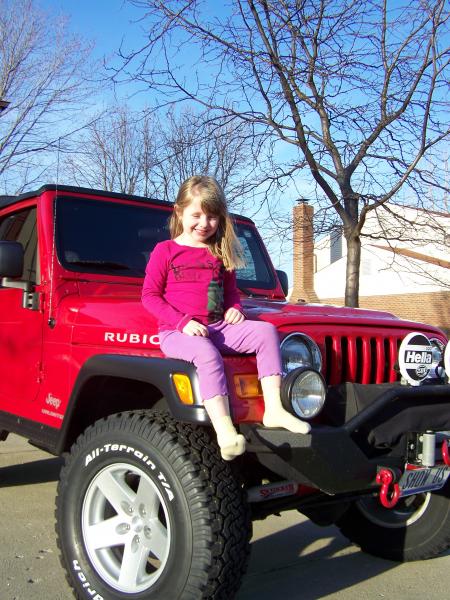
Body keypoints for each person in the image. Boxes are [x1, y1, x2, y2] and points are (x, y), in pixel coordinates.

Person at [142, 175, 310, 460]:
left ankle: (273, 409)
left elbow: (231, 292)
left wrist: (236, 308)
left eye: (212, 217)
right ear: (179, 212)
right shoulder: (166, 251)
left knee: (265, 333)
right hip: (175, 333)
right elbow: (149, 296)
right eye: (196, 215)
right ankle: (225, 431)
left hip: (218, 327)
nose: (204, 223)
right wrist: (183, 323)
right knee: (206, 354)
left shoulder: (218, 252)